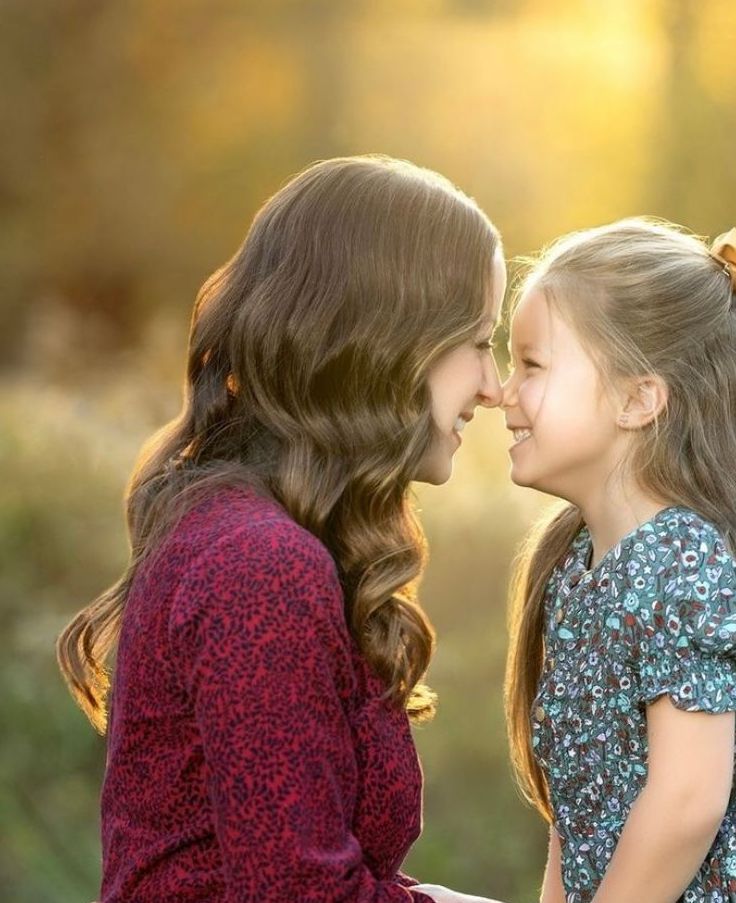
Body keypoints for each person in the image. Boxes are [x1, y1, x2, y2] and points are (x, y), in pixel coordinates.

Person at [57, 155, 508, 903]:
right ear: (386, 338)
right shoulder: (258, 564)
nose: (493, 388)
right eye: (479, 343)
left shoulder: (252, 538)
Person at [502, 218, 736, 902]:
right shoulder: (572, 568)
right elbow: (575, 821)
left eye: (530, 364)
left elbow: (685, 803)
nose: (503, 392)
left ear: (638, 398)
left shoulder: (681, 563)